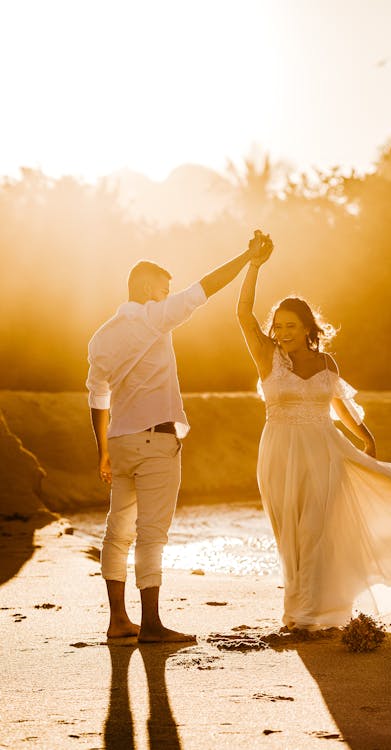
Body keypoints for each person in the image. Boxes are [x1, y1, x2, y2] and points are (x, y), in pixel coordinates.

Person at [237, 248, 391, 631]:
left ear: (306, 329)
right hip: (278, 453)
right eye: (278, 326)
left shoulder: (326, 364)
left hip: (325, 451)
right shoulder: (268, 358)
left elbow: (340, 406)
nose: (282, 333)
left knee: (317, 529)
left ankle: (312, 615)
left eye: (290, 326)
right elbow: (243, 313)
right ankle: (296, 611)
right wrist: (253, 266)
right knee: (289, 533)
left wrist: (365, 437)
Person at [87, 230, 269, 643]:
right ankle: (151, 625)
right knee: (151, 534)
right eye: (164, 289)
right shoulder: (155, 317)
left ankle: (118, 622)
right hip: (156, 442)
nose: (168, 295)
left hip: (119, 441)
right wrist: (246, 257)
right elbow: (205, 288)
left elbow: (97, 396)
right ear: (150, 289)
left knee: (117, 531)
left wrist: (103, 453)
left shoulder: (100, 337)